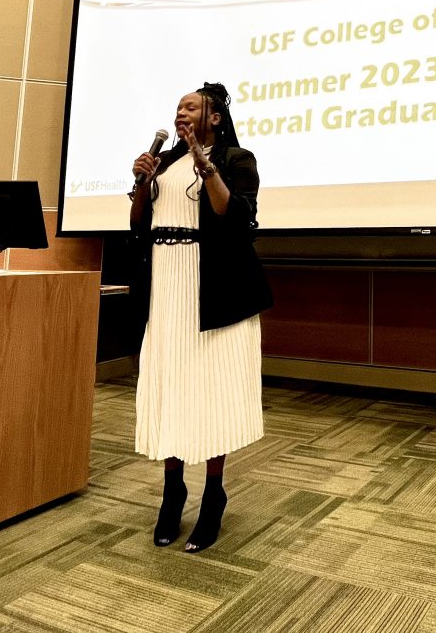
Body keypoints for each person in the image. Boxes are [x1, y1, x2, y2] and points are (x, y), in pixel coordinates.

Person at [129, 82, 273, 553]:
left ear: (214, 116)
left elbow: (234, 217)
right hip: (166, 286)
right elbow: (137, 225)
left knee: (211, 389)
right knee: (170, 383)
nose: (181, 112)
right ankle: (174, 491)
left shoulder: (237, 160)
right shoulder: (165, 163)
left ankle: (214, 493)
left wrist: (203, 161)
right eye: (177, 107)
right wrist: (142, 184)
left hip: (214, 288)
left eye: (191, 106)